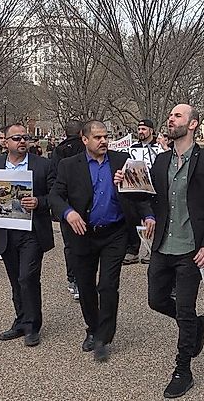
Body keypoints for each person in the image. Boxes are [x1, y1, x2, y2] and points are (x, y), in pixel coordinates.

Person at [126, 103, 204, 398]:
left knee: (184, 308)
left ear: (192, 124)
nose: (171, 118)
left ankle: (183, 370)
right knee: (156, 301)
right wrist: (131, 190)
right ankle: (197, 324)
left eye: (178, 116)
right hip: (161, 246)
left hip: (190, 250)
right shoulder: (160, 161)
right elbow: (147, 197)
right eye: (170, 115)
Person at [49, 120, 155, 362]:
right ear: (84, 140)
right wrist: (68, 212)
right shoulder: (68, 165)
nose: (104, 141)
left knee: (107, 286)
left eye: (105, 137)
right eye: (97, 137)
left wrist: (148, 215)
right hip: (82, 234)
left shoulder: (121, 160)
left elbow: (139, 191)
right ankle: (92, 328)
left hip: (114, 234)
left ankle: (103, 337)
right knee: (85, 286)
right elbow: (55, 195)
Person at [0, 123, 57, 347]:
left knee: (27, 277)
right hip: (5, 230)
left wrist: (39, 201)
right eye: (16, 138)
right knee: (15, 279)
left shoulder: (43, 165)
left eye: (25, 138)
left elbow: (56, 195)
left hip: (32, 231)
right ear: (5, 142)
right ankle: (20, 321)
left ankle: (32, 326)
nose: (22, 141)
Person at [51, 119, 86, 301]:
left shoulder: (58, 151)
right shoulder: (86, 149)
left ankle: (73, 278)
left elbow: (53, 178)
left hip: (66, 205)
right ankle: (84, 279)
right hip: (85, 203)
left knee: (70, 246)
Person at [124, 118, 161, 265]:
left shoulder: (159, 148)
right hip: (136, 188)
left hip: (153, 188)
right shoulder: (133, 147)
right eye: (139, 129)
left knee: (151, 219)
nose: (140, 132)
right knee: (132, 218)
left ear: (151, 131)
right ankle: (132, 250)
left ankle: (150, 249)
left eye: (143, 129)